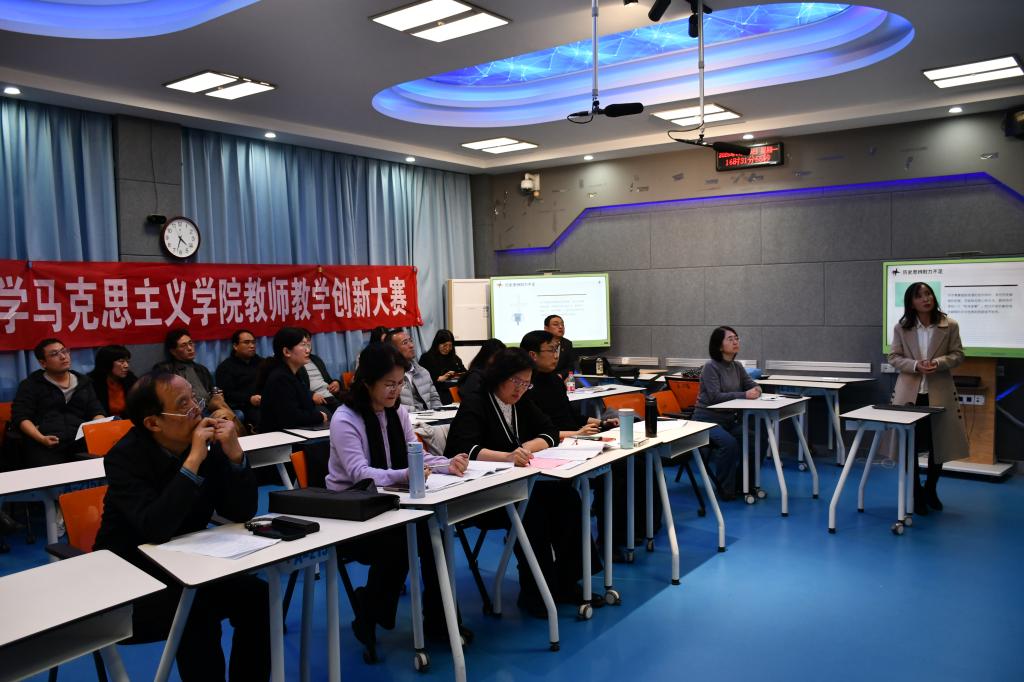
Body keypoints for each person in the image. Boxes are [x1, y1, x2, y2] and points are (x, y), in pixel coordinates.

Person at [93, 372, 269, 680]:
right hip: (133, 578)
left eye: (195, 399)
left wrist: (235, 456)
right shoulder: (124, 458)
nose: (197, 410)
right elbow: (155, 528)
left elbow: (240, 511)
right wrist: (193, 461)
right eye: (183, 405)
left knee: (257, 595)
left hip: (189, 565)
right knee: (196, 611)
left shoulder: (204, 444)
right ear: (153, 423)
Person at [327, 343, 469, 658]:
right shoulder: (345, 418)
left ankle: (438, 621)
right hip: (352, 510)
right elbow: (359, 474)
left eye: (400, 383)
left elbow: (415, 455)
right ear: (367, 382)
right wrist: (406, 474)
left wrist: (448, 464)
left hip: (392, 503)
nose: (396, 390)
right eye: (388, 384)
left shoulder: (398, 412)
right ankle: (372, 611)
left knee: (433, 533)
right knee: (407, 539)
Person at [444, 348, 590, 617]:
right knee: (533, 510)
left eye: (526, 383)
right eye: (516, 382)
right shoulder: (476, 402)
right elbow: (463, 449)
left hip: (518, 484)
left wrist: (526, 448)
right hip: (483, 493)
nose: (521, 389)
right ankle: (535, 592)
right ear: (499, 376)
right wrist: (507, 456)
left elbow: (549, 431)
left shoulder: (520, 402)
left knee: (567, 498)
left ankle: (568, 581)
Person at [888, 281, 969, 514]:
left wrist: (938, 363)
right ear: (911, 302)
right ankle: (915, 493)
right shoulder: (902, 327)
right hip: (909, 394)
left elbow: (958, 354)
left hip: (939, 392)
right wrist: (915, 365)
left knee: (938, 443)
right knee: (909, 445)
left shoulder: (949, 325)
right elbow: (893, 357)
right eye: (920, 296)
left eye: (929, 294)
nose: (926, 299)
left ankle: (931, 488)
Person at [691, 326, 760, 500]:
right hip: (705, 421)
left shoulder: (737, 366)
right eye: (730, 339)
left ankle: (744, 483)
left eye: (736, 338)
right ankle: (725, 489)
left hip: (728, 420)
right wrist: (744, 395)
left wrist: (757, 389)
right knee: (729, 444)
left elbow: (751, 384)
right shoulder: (710, 367)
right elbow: (715, 397)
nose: (735, 342)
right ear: (719, 346)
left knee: (755, 439)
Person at [12, 338, 105, 467]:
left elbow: (97, 411)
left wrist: (97, 429)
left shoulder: (84, 382)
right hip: (45, 443)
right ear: (43, 363)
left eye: (64, 351)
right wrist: (41, 438)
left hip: (81, 442)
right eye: (54, 354)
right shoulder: (31, 385)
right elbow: (21, 417)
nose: (63, 357)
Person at [519, 330, 610, 439]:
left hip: (574, 436)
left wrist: (603, 423)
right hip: (554, 442)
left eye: (556, 350)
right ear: (533, 355)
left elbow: (571, 416)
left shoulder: (555, 380)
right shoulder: (524, 387)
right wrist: (577, 434)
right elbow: (538, 431)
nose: (556, 356)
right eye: (551, 350)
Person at [153, 329, 235, 422]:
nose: (190, 348)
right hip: (188, 412)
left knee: (222, 404)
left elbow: (211, 392)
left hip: (208, 408)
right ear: (173, 351)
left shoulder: (201, 369)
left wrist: (216, 395)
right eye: (183, 345)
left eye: (191, 343)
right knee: (225, 414)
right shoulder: (165, 370)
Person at [257, 327, 329, 432]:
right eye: (303, 345)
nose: (308, 350)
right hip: (279, 437)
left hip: (296, 432)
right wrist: (319, 416)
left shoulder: (294, 374)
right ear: (287, 352)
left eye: (308, 345)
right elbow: (291, 417)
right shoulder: (280, 378)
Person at [215, 329, 262, 425]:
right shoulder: (225, 367)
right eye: (246, 342)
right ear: (235, 346)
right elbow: (227, 394)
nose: (252, 346)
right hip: (243, 406)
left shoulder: (262, 363)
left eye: (253, 342)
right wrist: (249, 399)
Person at [388, 329, 443, 411]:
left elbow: (434, 398)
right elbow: (392, 406)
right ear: (393, 349)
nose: (411, 345)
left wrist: (438, 414)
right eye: (405, 343)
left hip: (429, 416)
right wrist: (417, 413)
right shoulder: (388, 377)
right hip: (407, 417)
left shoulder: (423, 372)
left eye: (411, 341)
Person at [296, 329, 342, 413]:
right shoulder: (295, 363)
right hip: (314, 400)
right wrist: (311, 395)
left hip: (330, 395)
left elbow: (328, 380)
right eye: (303, 342)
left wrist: (336, 383)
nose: (307, 344)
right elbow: (297, 389)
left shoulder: (316, 359)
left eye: (308, 340)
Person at [88, 344, 137, 418]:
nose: (126, 365)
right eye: (121, 362)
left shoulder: (131, 380)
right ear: (107, 362)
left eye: (127, 361)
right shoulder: (91, 382)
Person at [419, 329, 466, 405]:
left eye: (450, 346)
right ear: (437, 344)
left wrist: (457, 375)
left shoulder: (455, 359)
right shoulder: (426, 358)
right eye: (444, 345)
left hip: (455, 396)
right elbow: (421, 382)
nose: (447, 349)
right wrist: (438, 379)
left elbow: (464, 373)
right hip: (435, 397)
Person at [544, 315, 578, 379]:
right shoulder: (541, 343)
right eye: (555, 324)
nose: (560, 327)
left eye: (562, 324)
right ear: (546, 328)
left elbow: (570, 367)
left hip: (561, 380)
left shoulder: (567, 343)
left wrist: (560, 375)